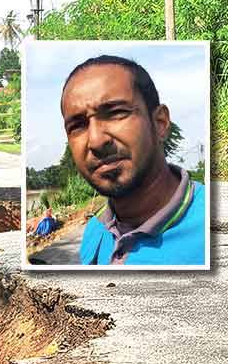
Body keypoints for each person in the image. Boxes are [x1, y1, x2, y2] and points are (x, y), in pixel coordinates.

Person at [59, 55, 206, 266]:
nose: (96, 141)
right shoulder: (95, 231)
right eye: (78, 125)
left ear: (160, 123)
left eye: (116, 113)